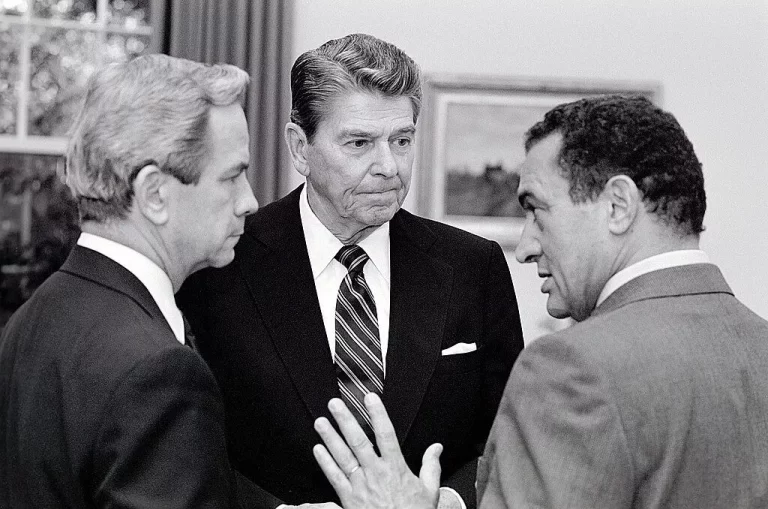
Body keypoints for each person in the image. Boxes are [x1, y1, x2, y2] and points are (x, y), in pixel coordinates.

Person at [313, 94, 768, 509]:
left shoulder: (573, 369)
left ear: (617, 206)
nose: (525, 245)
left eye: (536, 209)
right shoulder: (759, 345)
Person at [177, 33, 524, 509]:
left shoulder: (472, 268)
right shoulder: (219, 265)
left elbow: (508, 438)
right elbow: (190, 451)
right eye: (359, 143)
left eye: (402, 140)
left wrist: (442, 502)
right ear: (300, 148)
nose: (388, 166)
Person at [0, 54, 281, 508]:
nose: (249, 201)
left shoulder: (34, 317)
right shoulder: (158, 372)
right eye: (232, 176)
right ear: (154, 194)